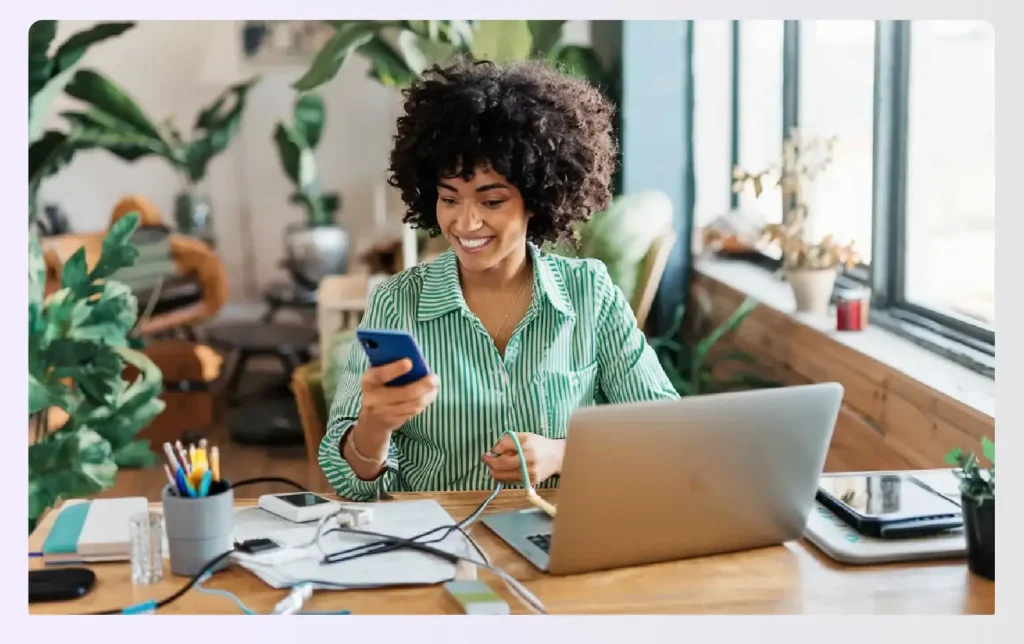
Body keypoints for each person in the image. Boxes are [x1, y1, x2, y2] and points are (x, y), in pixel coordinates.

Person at [320, 56, 680, 501]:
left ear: (537, 199)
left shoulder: (590, 293)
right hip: (438, 542)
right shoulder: (399, 302)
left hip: (558, 540)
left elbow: (666, 431)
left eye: (491, 202)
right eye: (449, 199)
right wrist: (373, 426)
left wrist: (565, 454)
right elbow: (347, 482)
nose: (465, 223)